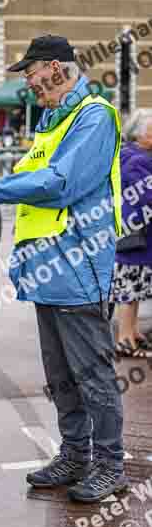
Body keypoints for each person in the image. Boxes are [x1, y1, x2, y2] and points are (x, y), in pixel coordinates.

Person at [0, 35, 127, 503]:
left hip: (80, 267)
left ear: (56, 67)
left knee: (92, 375)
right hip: (50, 272)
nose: (28, 83)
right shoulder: (54, 119)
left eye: (31, 73)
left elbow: (60, 184)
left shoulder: (93, 115)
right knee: (61, 377)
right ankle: (76, 454)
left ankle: (110, 464)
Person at [111, 109, 152, 357]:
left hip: (135, 234)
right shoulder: (138, 160)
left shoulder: (134, 156)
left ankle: (132, 332)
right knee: (130, 291)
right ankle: (125, 339)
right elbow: (146, 196)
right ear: (140, 134)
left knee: (134, 290)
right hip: (135, 237)